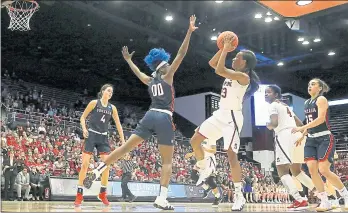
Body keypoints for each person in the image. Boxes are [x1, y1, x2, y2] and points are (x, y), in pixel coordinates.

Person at [82, 15, 198, 210]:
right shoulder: (168, 76)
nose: (170, 65)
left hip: (149, 115)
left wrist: (128, 60)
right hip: (164, 117)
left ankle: (98, 169)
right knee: (167, 161)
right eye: (167, 64)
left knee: (125, 148)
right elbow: (181, 53)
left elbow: (138, 72)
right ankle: (162, 198)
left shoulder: (151, 80)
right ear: (163, 67)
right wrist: (189, 31)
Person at [189, 34, 260, 211]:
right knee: (195, 141)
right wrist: (222, 49)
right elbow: (213, 64)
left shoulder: (244, 78)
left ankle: (239, 195)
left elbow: (218, 69)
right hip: (219, 114)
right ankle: (205, 168)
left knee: (231, 155)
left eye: (237, 57)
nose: (234, 58)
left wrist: (226, 50)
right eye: (233, 56)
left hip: (232, 118)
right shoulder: (233, 73)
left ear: (244, 63)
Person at [292, 78, 348, 211]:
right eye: (309, 84)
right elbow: (311, 122)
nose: (310, 86)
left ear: (320, 88)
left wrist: (300, 128)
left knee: (324, 170)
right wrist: (303, 135)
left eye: (313, 84)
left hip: (324, 138)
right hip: (311, 139)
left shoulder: (321, 100)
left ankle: (347, 196)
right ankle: (325, 201)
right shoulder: (306, 103)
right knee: (312, 170)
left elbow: (320, 119)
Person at [265, 85, 316, 210]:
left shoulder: (273, 106)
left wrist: (269, 125)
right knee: (296, 171)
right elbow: (299, 123)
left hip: (284, 135)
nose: (266, 94)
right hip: (297, 135)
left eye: (269, 92)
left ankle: (299, 199)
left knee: (281, 170)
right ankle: (321, 193)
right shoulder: (286, 106)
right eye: (265, 93)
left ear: (276, 95)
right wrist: (303, 134)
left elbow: (274, 123)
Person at [74, 84, 125, 207]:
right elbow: (82, 117)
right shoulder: (94, 103)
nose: (110, 93)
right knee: (85, 164)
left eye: (111, 92)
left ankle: (102, 193)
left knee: (106, 164)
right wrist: (84, 128)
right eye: (108, 91)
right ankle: (79, 195)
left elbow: (118, 124)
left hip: (103, 137)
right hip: (91, 135)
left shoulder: (112, 108)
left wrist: (123, 141)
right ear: (102, 92)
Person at [185, 135, 222, 207]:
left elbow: (214, 151)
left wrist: (205, 149)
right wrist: (191, 154)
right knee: (193, 175)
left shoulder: (212, 138)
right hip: (201, 159)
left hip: (209, 160)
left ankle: (218, 197)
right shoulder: (200, 139)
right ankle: (206, 188)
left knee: (210, 181)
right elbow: (198, 150)